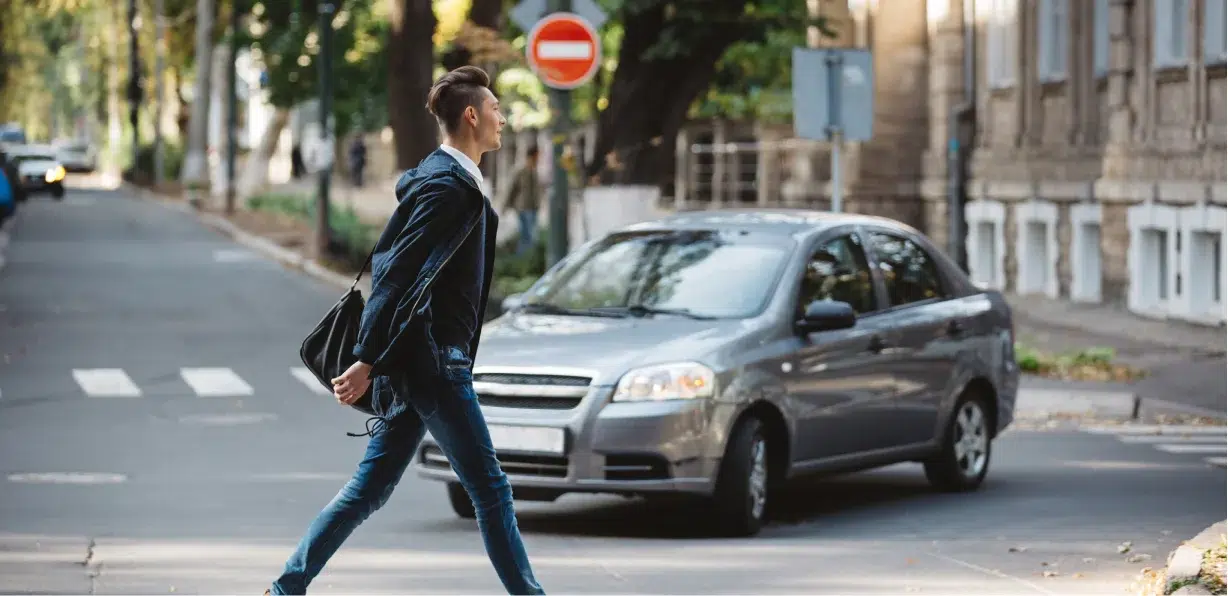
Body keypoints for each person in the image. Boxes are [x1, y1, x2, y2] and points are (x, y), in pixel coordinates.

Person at [267, 66, 545, 595]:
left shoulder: (452, 180)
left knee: (369, 489)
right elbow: (395, 275)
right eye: (495, 109)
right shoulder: (448, 188)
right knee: (491, 489)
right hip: (437, 363)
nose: (502, 118)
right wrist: (367, 359)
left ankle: (286, 589)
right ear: (471, 115)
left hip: (422, 360)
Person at [504, 145, 540, 255]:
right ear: (531, 157)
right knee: (527, 235)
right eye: (537, 157)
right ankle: (523, 258)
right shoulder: (520, 171)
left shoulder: (535, 171)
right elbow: (512, 189)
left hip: (534, 207)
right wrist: (505, 206)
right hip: (523, 208)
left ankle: (527, 258)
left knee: (530, 235)